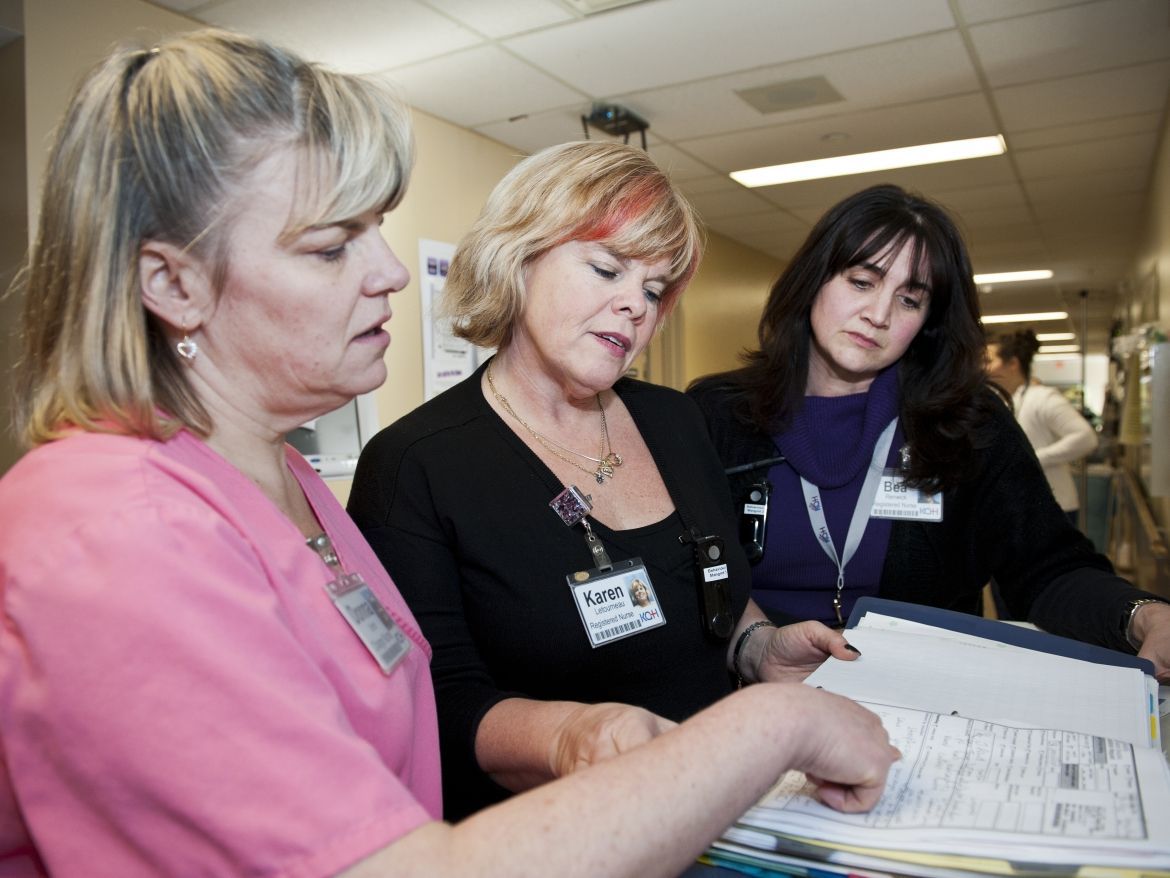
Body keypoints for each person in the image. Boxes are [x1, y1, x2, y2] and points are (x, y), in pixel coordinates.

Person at [0, 29, 900, 877]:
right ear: (173, 284)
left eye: (377, 231)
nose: (391, 272)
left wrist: (753, 663)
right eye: (330, 245)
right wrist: (771, 728)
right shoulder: (118, 532)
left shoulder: (285, 478)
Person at [348, 140, 874, 820]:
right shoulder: (415, 463)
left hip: (723, 805)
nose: (637, 306)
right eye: (607, 269)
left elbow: (711, 592)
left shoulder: (676, 419)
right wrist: (577, 735)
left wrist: (760, 647)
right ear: (519, 256)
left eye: (655, 290)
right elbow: (435, 704)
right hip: (553, 834)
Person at [686, 184, 1170, 683]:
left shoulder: (968, 424)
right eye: (860, 281)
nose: (878, 314)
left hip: (921, 697)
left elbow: (1047, 568)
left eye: (910, 300)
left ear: (928, 323)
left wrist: (1142, 614)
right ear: (814, 280)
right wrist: (750, 644)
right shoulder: (717, 415)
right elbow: (685, 576)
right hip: (754, 692)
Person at [986, 329, 1098, 525]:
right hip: (1021, 506)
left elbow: (1085, 437)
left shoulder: (1043, 398)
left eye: (989, 361)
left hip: (1055, 507)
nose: (983, 369)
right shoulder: (1005, 401)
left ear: (1013, 363)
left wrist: (1036, 457)